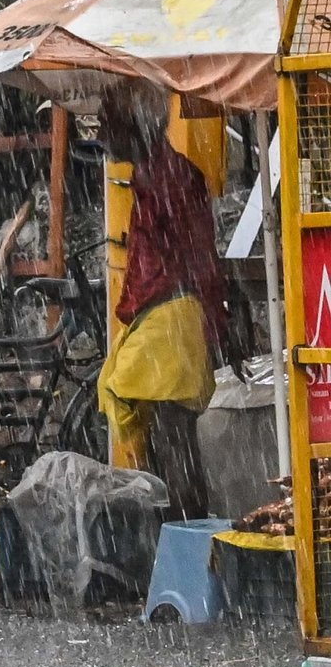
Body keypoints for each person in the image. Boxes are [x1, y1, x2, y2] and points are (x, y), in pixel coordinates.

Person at [97, 86, 228, 520]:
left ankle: (183, 535)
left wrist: (218, 324)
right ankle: (180, 534)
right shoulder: (159, 173)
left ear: (131, 126)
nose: (100, 133)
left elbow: (191, 258)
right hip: (172, 317)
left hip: (171, 319)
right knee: (169, 444)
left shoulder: (163, 177)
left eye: (107, 122)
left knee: (172, 446)